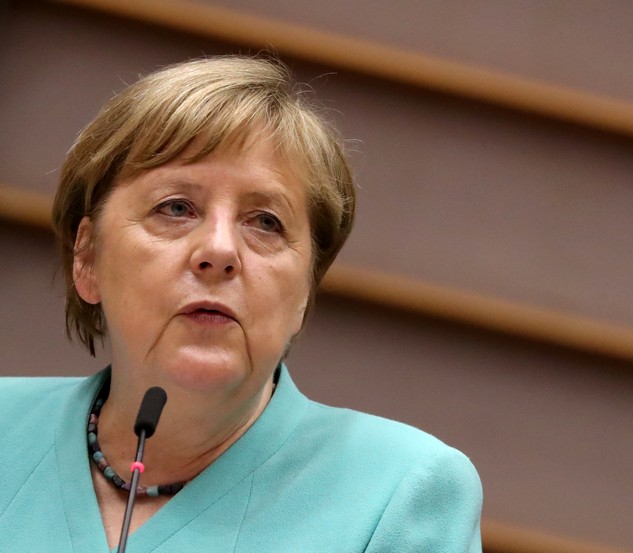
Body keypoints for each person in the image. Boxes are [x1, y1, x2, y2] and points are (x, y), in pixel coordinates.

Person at [0, 56, 482, 552]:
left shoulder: (398, 495)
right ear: (88, 257)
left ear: (305, 293)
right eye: (176, 208)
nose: (220, 251)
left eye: (266, 222)